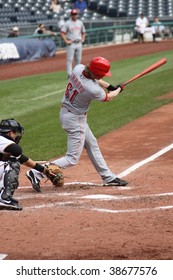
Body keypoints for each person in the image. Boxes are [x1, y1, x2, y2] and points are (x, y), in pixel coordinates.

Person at [26, 57, 128, 191]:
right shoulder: (92, 89)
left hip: (66, 113)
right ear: (97, 73)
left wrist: (109, 86)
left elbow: (95, 79)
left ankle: (108, 177)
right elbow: (109, 97)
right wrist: (119, 89)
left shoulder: (78, 68)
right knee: (72, 158)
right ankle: (36, 172)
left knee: (92, 144)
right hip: (76, 120)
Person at [0, 119, 53, 211]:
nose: (16, 135)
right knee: (12, 163)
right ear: (9, 132)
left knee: (11, 161)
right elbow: (17, 151)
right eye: (15, 132)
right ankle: (4, 199)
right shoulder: (2, 140)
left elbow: (22, 158)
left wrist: (43, 170)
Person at [60, 9, 86, 78]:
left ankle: (76, 74)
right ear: (71, 15)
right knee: (69, 59)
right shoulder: (67, 23)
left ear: (77, 15)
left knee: (78, 60)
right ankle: (69, 74)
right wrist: (66, 41)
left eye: (75, 14)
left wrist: (83, 39)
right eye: (73, 14)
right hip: (71, 43)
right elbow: (62, 33)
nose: (74, 15)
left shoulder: (80, 22)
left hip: (79, 43)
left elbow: (83, 32)